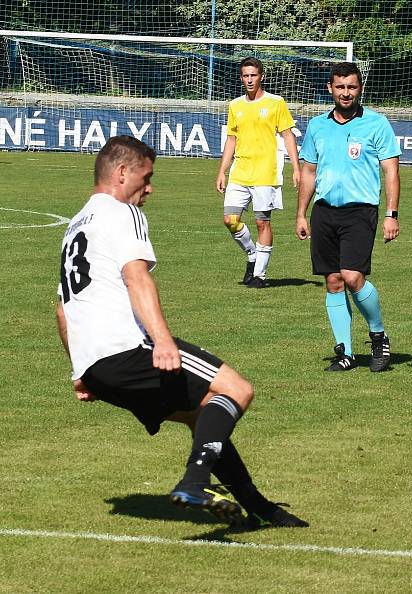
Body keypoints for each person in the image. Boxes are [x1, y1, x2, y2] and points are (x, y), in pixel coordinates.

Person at [56, 135, 307, 529]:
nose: (150, 188)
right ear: (122, 173)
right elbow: (136, 278)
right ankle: (195, 480)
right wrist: (163, 340)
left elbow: (62, 307)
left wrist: (79, 370)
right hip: (127, 348)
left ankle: (257, 507)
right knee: (237, 390)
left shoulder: (76, 225)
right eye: (147, 177)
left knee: (203, 413)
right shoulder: (121, 213)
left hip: (95, 366)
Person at [295, 61, 401, 372]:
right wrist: (301, 213)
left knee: (353, 277)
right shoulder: (317, 126)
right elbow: (309, 172)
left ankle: (379, 336)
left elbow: (391, 171)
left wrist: (391, 214)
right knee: (332, 281)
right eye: (340, 87)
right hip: (325, 211)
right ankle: (346, 352)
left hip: (361, 210)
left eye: (351, 87)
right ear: (330, 88)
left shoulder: (377, 124)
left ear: (360, 89)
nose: (345, 92)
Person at [216, 56, 300, 289]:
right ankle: (252, 255)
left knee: (262, 223)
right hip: (240, 172)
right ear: (241, 78)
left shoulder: (276, 103)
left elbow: (288, 135)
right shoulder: (235, 105)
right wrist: (222, 170)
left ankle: (259, 276)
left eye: (253, 75)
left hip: (265, 173)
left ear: (261, 76)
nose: (250, 79)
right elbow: (231, 139)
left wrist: (296, 167)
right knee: (230, 220)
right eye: (246, 75)